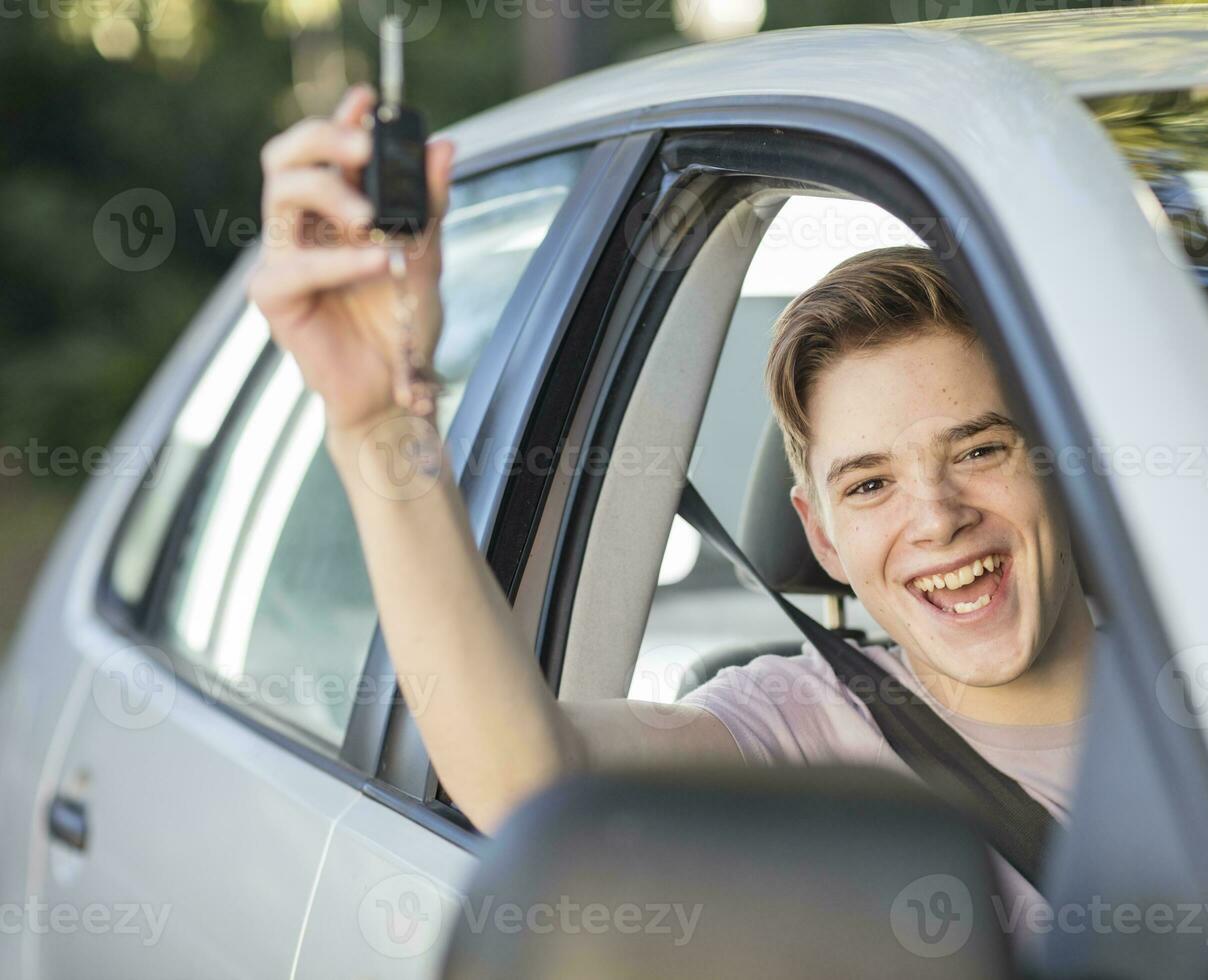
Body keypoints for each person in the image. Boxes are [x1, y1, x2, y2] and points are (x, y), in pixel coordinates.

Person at [251, 85, 1094, 923]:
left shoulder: (1207, 663)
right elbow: (529, 778)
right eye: (870, 485)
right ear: (823, 539)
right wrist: (378, 424)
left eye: (980, 450)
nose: (939, 517)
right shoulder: (802, 727)